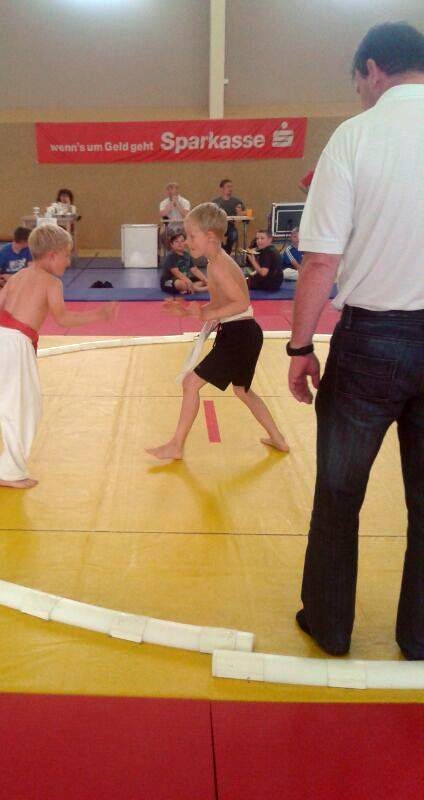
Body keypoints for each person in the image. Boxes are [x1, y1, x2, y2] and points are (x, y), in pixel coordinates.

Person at [287, 22, 424, 660]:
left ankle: (331, 623)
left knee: (340, 492)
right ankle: (420, 634)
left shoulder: (356, 136)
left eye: (357, 82)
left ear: (372, 69)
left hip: (373, 340)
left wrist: (299, 347)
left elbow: (320, 261)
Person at [0, 225, 117, 489]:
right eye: (66, 255)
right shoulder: (52, 282)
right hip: (15, 343)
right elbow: (63, 319)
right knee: (23, 407)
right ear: (52, 255)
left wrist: (12, 327)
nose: (68, 261)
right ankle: (9, 471)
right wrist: (99, 315)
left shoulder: (18, 276)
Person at [146, 202, 288, 461]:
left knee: (191, 384)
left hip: (239, 335)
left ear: (209, 237)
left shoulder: (219, 266)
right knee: (242, 390)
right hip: (244, 333)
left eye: (192, 236)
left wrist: (205, 315)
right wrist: (190, 312)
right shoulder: (216, 262)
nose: (187, 241)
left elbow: (241, 303)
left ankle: (176, 445)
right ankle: (278, 438)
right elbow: (220, 304)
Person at [0, 226, 32, 293]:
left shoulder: (29, 250)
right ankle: (4, 292)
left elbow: (31, 269)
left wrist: (16, 277)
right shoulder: (3, 251)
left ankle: (10, 291)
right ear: (23, 241)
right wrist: (0, 280)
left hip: (20, 278)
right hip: (5, 280)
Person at [160, 229, 208, 295]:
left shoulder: (187, 255)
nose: (180, 243)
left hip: (184, 279)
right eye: (176, 241)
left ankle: (188, 288)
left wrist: (205, 280)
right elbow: (177, 273)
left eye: (182, 241)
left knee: (203, 280)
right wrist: (188, 281)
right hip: (169, 281)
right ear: (172, 244)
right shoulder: (171, 256)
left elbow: (195, 270)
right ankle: (202, 289)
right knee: (179, 284)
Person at [211, 179, 246, 254]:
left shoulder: (237, 201)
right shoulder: (215, 202)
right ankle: (221, 251)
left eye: (231, 187)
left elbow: (243, 215)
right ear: (221, 189)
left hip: (230, 226)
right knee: (214, 236)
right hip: (218, 227)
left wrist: (240, 212)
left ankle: (227, 252)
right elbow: (210, 215)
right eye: (228, 186)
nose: (230, 189)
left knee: (233, 235)